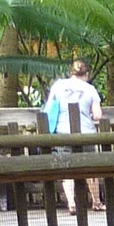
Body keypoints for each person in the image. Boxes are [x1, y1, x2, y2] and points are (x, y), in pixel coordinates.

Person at [44, 59, 104, 213]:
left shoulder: (58, 86)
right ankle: (96, 201)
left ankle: (71, 203)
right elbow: (97, 115)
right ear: (87, 74)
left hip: (64, 132)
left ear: (71, 72)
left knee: (67, 167)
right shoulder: (90, 89)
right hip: (86, 133)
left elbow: (49, 107)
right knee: (91, 168)